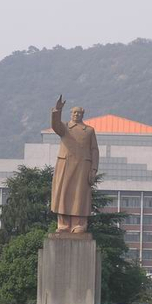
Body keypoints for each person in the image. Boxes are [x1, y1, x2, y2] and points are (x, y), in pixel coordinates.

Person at [50, 95, 99, 233]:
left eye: (79, 113)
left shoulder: (89, 131)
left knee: (80, 195)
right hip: (65, 165)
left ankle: (79, 224)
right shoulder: (64, 127)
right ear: (70, 114)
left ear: (83, 114)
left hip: (83, 167)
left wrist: (93, 169)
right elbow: (55, 125)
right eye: (74, 112)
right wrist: (57, 110)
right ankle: (63, 224)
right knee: (63, 193)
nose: (76, 115)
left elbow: (94, 150)